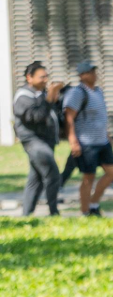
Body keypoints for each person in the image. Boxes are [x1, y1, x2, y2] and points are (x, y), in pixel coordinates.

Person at [14, 61, 66, 216]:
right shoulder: (23, 97)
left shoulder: (40, 94)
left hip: (46, 141)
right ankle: (54, 212)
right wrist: (49, 99)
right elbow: (36, 117)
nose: (45, 80)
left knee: (35, 179)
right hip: (33, 141)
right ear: (29, 78)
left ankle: (26, 215)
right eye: (41, 77)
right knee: (53, 175)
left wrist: (55, 97)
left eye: (46, 77)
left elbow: (53, 112)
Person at [64, 60, 113, 218]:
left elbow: (101, 116)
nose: (94, 75)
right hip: (86, 143)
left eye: (94, 71)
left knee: (112, 172)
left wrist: (107, 135)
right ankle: (85, 211)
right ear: (81, 75)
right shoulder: (77, 92)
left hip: (102, 141)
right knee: (88, 177)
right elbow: (69, 117)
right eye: (90, 72)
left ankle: (94, 203)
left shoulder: (98, 91)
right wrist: (73, 140)